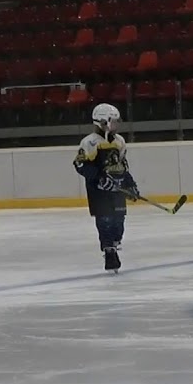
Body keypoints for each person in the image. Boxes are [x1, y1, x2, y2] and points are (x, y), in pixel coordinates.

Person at [74, 103, 138, 273]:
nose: (117, 125)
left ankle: (114, 243)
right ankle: (109, 251)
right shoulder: (90, 142)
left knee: (118, 223)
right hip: (99, 192)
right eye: (114, 121)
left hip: (117, 190)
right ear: (104, 122)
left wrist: (130, 185)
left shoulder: (119, 141)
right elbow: (81, 164)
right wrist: (100, 179)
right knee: (105, 221)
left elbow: (123, 166)